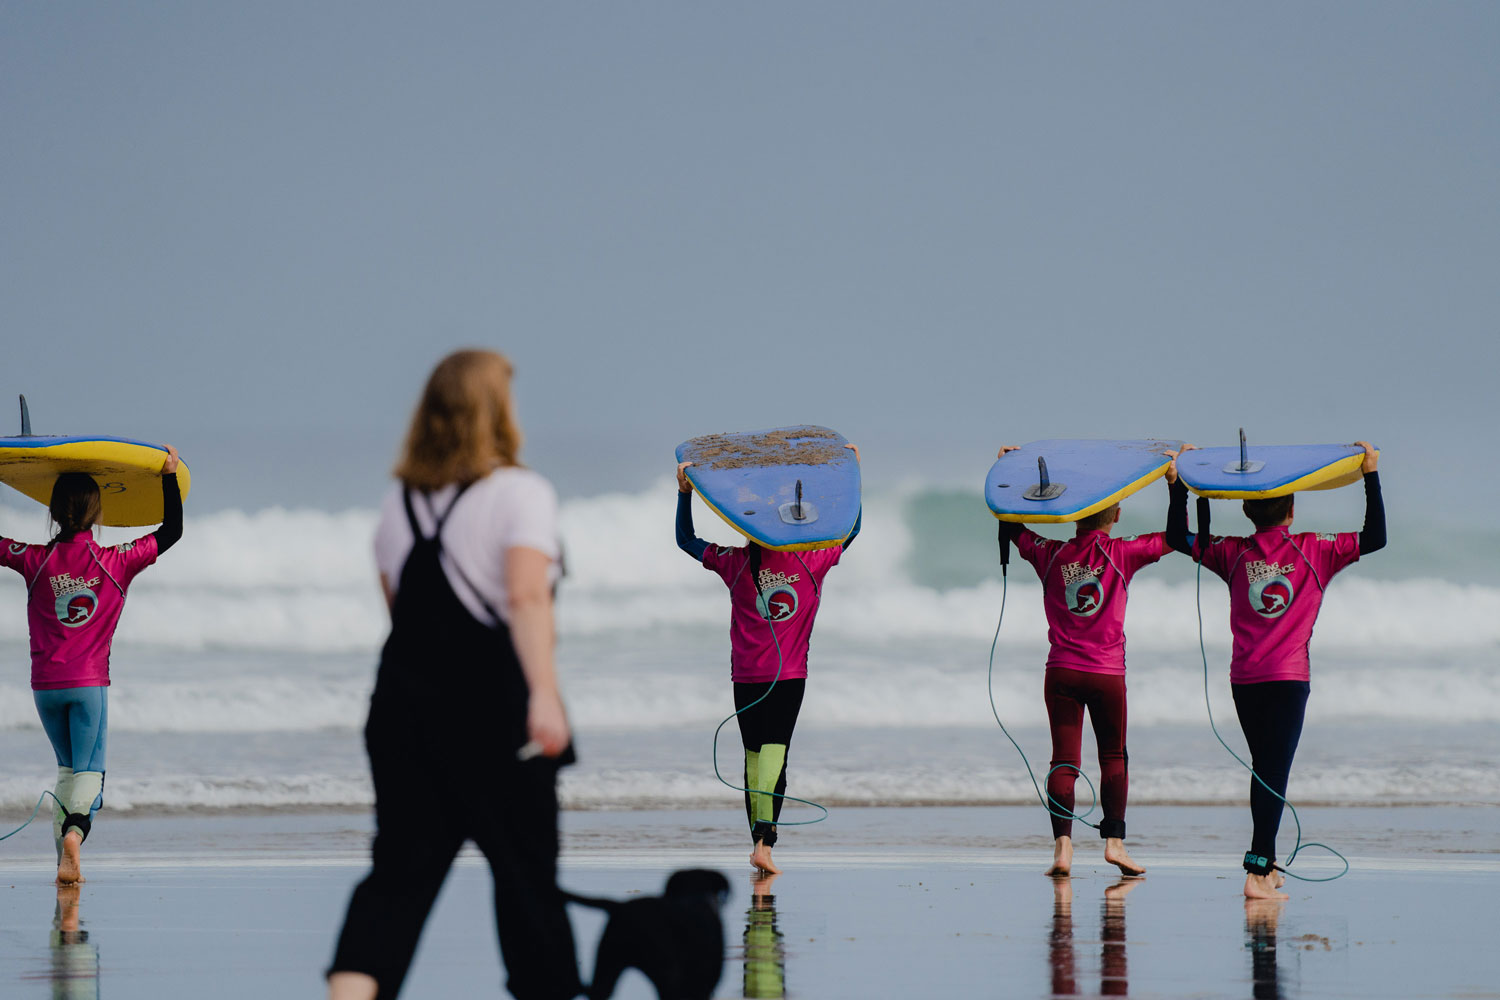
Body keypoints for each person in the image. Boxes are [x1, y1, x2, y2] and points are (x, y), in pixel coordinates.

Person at [328, 350, 580, 1000]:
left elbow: (402, 614)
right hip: (494, 715)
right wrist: (544, 696)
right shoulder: (521, 492)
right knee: (527, 882)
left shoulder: (399, 502)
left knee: (396, 880)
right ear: (498, 410)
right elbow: (527, 597)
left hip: (401, 711)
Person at [1166, 441, 1383, 900]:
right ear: (1292, 509)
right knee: (1272, 770)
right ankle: (1257, 869)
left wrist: (1180, 485)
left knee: (1265, 768)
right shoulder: (1315, 549)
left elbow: (1177, 538)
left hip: (1244, 681)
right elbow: (1376, 536)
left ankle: (1267, 865)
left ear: (1247, 511)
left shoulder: (1232, 552)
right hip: (1287, 681)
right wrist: (1370, 473)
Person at [996, 445, 1189, 878]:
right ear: (1116, 516)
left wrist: (1006, 472)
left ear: (1074, 516)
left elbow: (1013, 526)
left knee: (1063, 759)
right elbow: (1178, 538)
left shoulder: (1049, 553)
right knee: (1113, 755)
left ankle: (1062, 848)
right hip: (1106, 675)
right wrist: (1175, 485)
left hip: (1061, 672)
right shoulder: (1124, 552)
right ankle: (1114, 843)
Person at [1, 447, 181, 885]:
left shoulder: (33, 559)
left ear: (53, 513)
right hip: (88, 686)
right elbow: (171, 531)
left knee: (67, 771)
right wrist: (168, 476)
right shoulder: (117, 559)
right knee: (90, 777)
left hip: (45, 688)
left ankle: (64, 866)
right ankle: (74, 837)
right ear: (98, 514)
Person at [675, 446, 860, 875]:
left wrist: (684, 494)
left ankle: (759, 844)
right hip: (789, 676)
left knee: (754, 757)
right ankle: (764, 843)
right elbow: (852, 529)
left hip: (745, 678)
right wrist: (853, 475)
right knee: (776, 754)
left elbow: (686, 540)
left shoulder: (734, 563)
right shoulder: (811, 562)